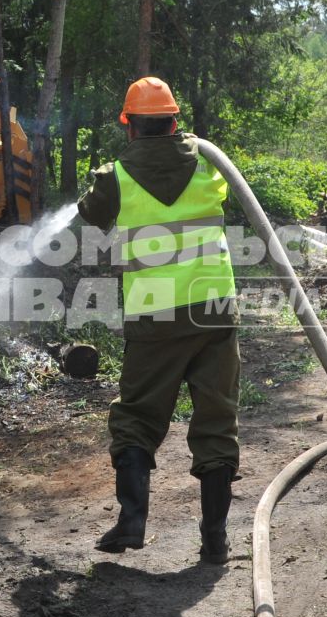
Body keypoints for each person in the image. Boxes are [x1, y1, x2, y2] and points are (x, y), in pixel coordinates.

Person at [76, 76, 240, 565]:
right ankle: (215, 538)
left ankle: (132, 520)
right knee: (216, 421)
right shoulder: (211, 163)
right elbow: (220, 195)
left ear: (129, 126)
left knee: (137, 416)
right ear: (175, 120)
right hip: (214, 309)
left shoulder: (115, 177)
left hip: (154, 315)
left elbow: (91, 214)